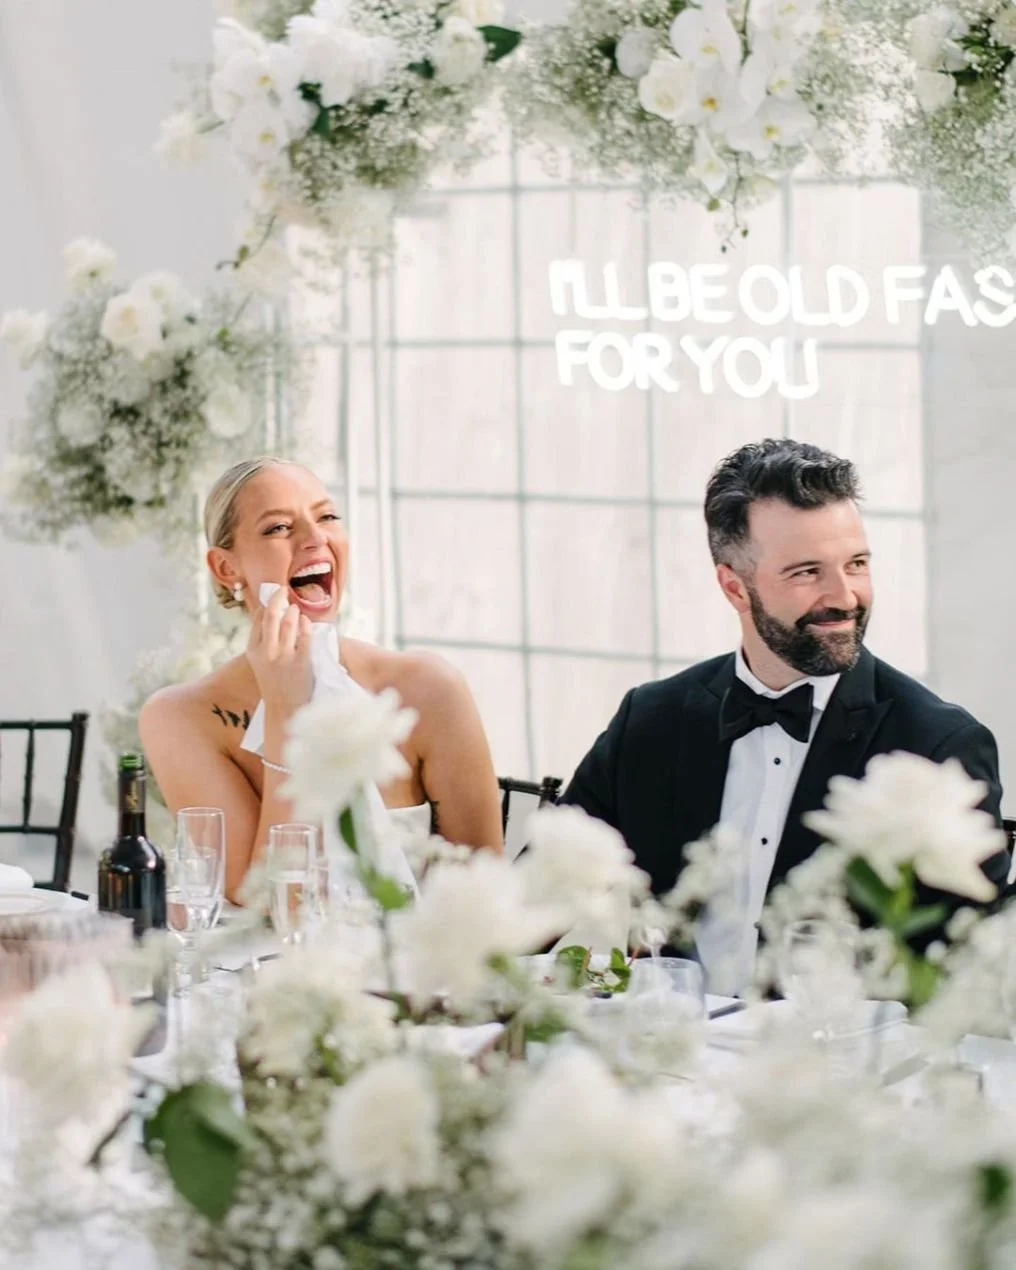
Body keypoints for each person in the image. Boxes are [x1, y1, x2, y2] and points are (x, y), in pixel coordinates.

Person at [561, 438, 1011, 992]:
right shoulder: (651, 719)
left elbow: (962, 978)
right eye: (806, 573)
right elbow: (539, 887)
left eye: (857, 564)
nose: (844, 596)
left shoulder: (938, 748)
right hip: (671, 1058)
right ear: (734, 587)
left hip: (844, 1065)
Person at [140, 456, 503, 902]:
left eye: (327, 516)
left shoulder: (428, 689)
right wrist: (285, 708)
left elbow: (483, 897)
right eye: (277, 528)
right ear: (226, 568)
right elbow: (269, 904)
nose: (316, 539)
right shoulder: (178, 717)